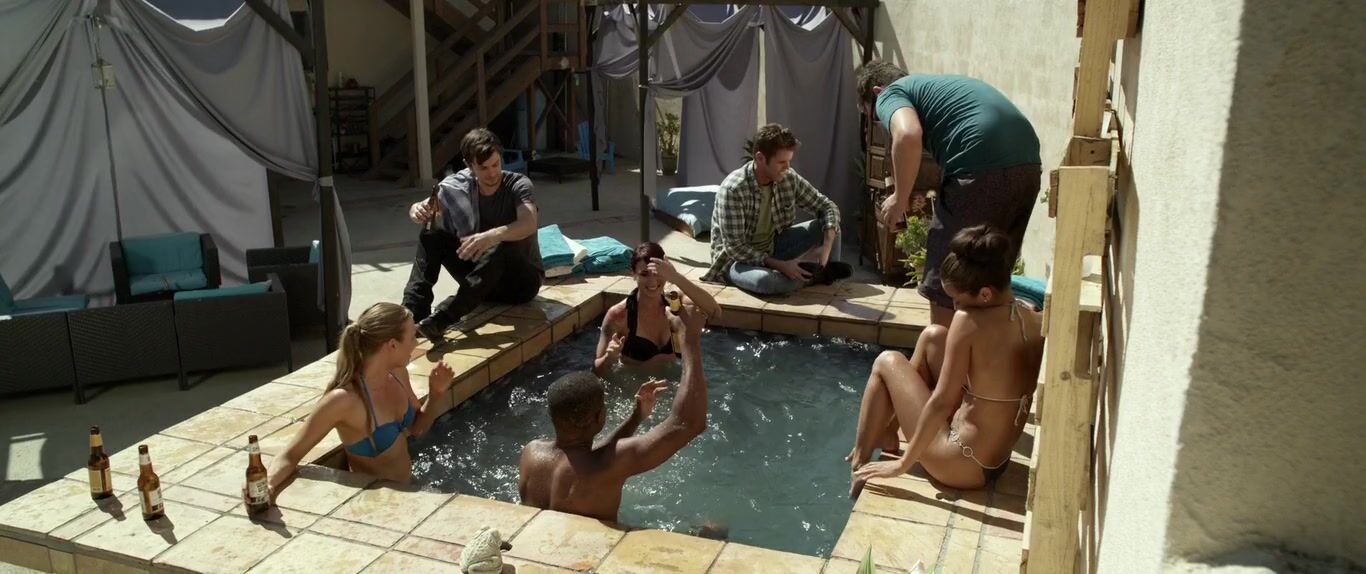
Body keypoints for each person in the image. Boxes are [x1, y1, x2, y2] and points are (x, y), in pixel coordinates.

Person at [845, 225, 1044, 496]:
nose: (955, 308)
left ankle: (860, 461)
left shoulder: (969, 321)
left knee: (886, 360)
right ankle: (888, 431)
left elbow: (942, 402)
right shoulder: (1032, 316)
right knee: (933, 336)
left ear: (985, 294)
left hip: (960, 463)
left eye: (958, 301)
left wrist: (902, 465)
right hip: (996, 462)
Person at [855, 60, 1043, 327]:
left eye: (874, 116)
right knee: (992, 271)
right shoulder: (935, 87)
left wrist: (899, 198)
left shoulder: (891, 93)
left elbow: (907, 135)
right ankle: (991, 348)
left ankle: (941, 347)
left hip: (980, 165)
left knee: (948, 271)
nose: (880, 121)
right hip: (1028, 166)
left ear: (876, 91)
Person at [518, 301, 709, 522]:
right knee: (714, 530)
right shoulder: (611, 463)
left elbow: (588, 455)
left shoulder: (531, 453)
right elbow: (689, 423)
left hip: (544, 538)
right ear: (599, 416)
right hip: (589, 544)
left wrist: (636, 418)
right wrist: (689, 339)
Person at [253, 303, 455, 503]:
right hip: (376, 505)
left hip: (409, 490)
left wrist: (435, 394)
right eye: (411, 337)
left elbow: (417, 428)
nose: (416, 343)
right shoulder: (344, 400)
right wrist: (268, 485)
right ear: (392, 345)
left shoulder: (397, 373)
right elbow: (290, 455)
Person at [403, 128, 542, 343]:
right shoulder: (459, 186)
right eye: (483, 168)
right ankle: (412, 314)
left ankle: (443, 319)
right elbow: (432, 202)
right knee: (431, 234)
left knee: (500, 243)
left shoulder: (518, 184)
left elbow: (529, 223)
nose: (492, 173)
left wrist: (491, 235)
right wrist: (416, 209)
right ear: (469, 166)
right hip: (479, 281)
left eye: (496, 164)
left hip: (519, 284)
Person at [702, 123, 851, 296]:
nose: (787, 167)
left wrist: (827, 245)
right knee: (766, 282)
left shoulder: (788, 177)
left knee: (830, 226)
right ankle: (817, 275)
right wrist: (781, 266)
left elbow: (827, 206)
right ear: (760, 159)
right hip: (737, 261)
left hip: (774, 246)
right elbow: (735, 248)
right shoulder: (733, 189)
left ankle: (818, 269)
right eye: (781, 162)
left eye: (789, 161)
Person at [593, 242, 721, 376]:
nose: (652, 281)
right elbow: (596, 371)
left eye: (658, 273)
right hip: (636, 386)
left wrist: (676, 277)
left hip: (675, 381)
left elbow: (715, 312)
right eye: (644, 274)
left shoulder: (675, 302)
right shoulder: (619, 315)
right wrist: (609, 358)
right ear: (633, 274)